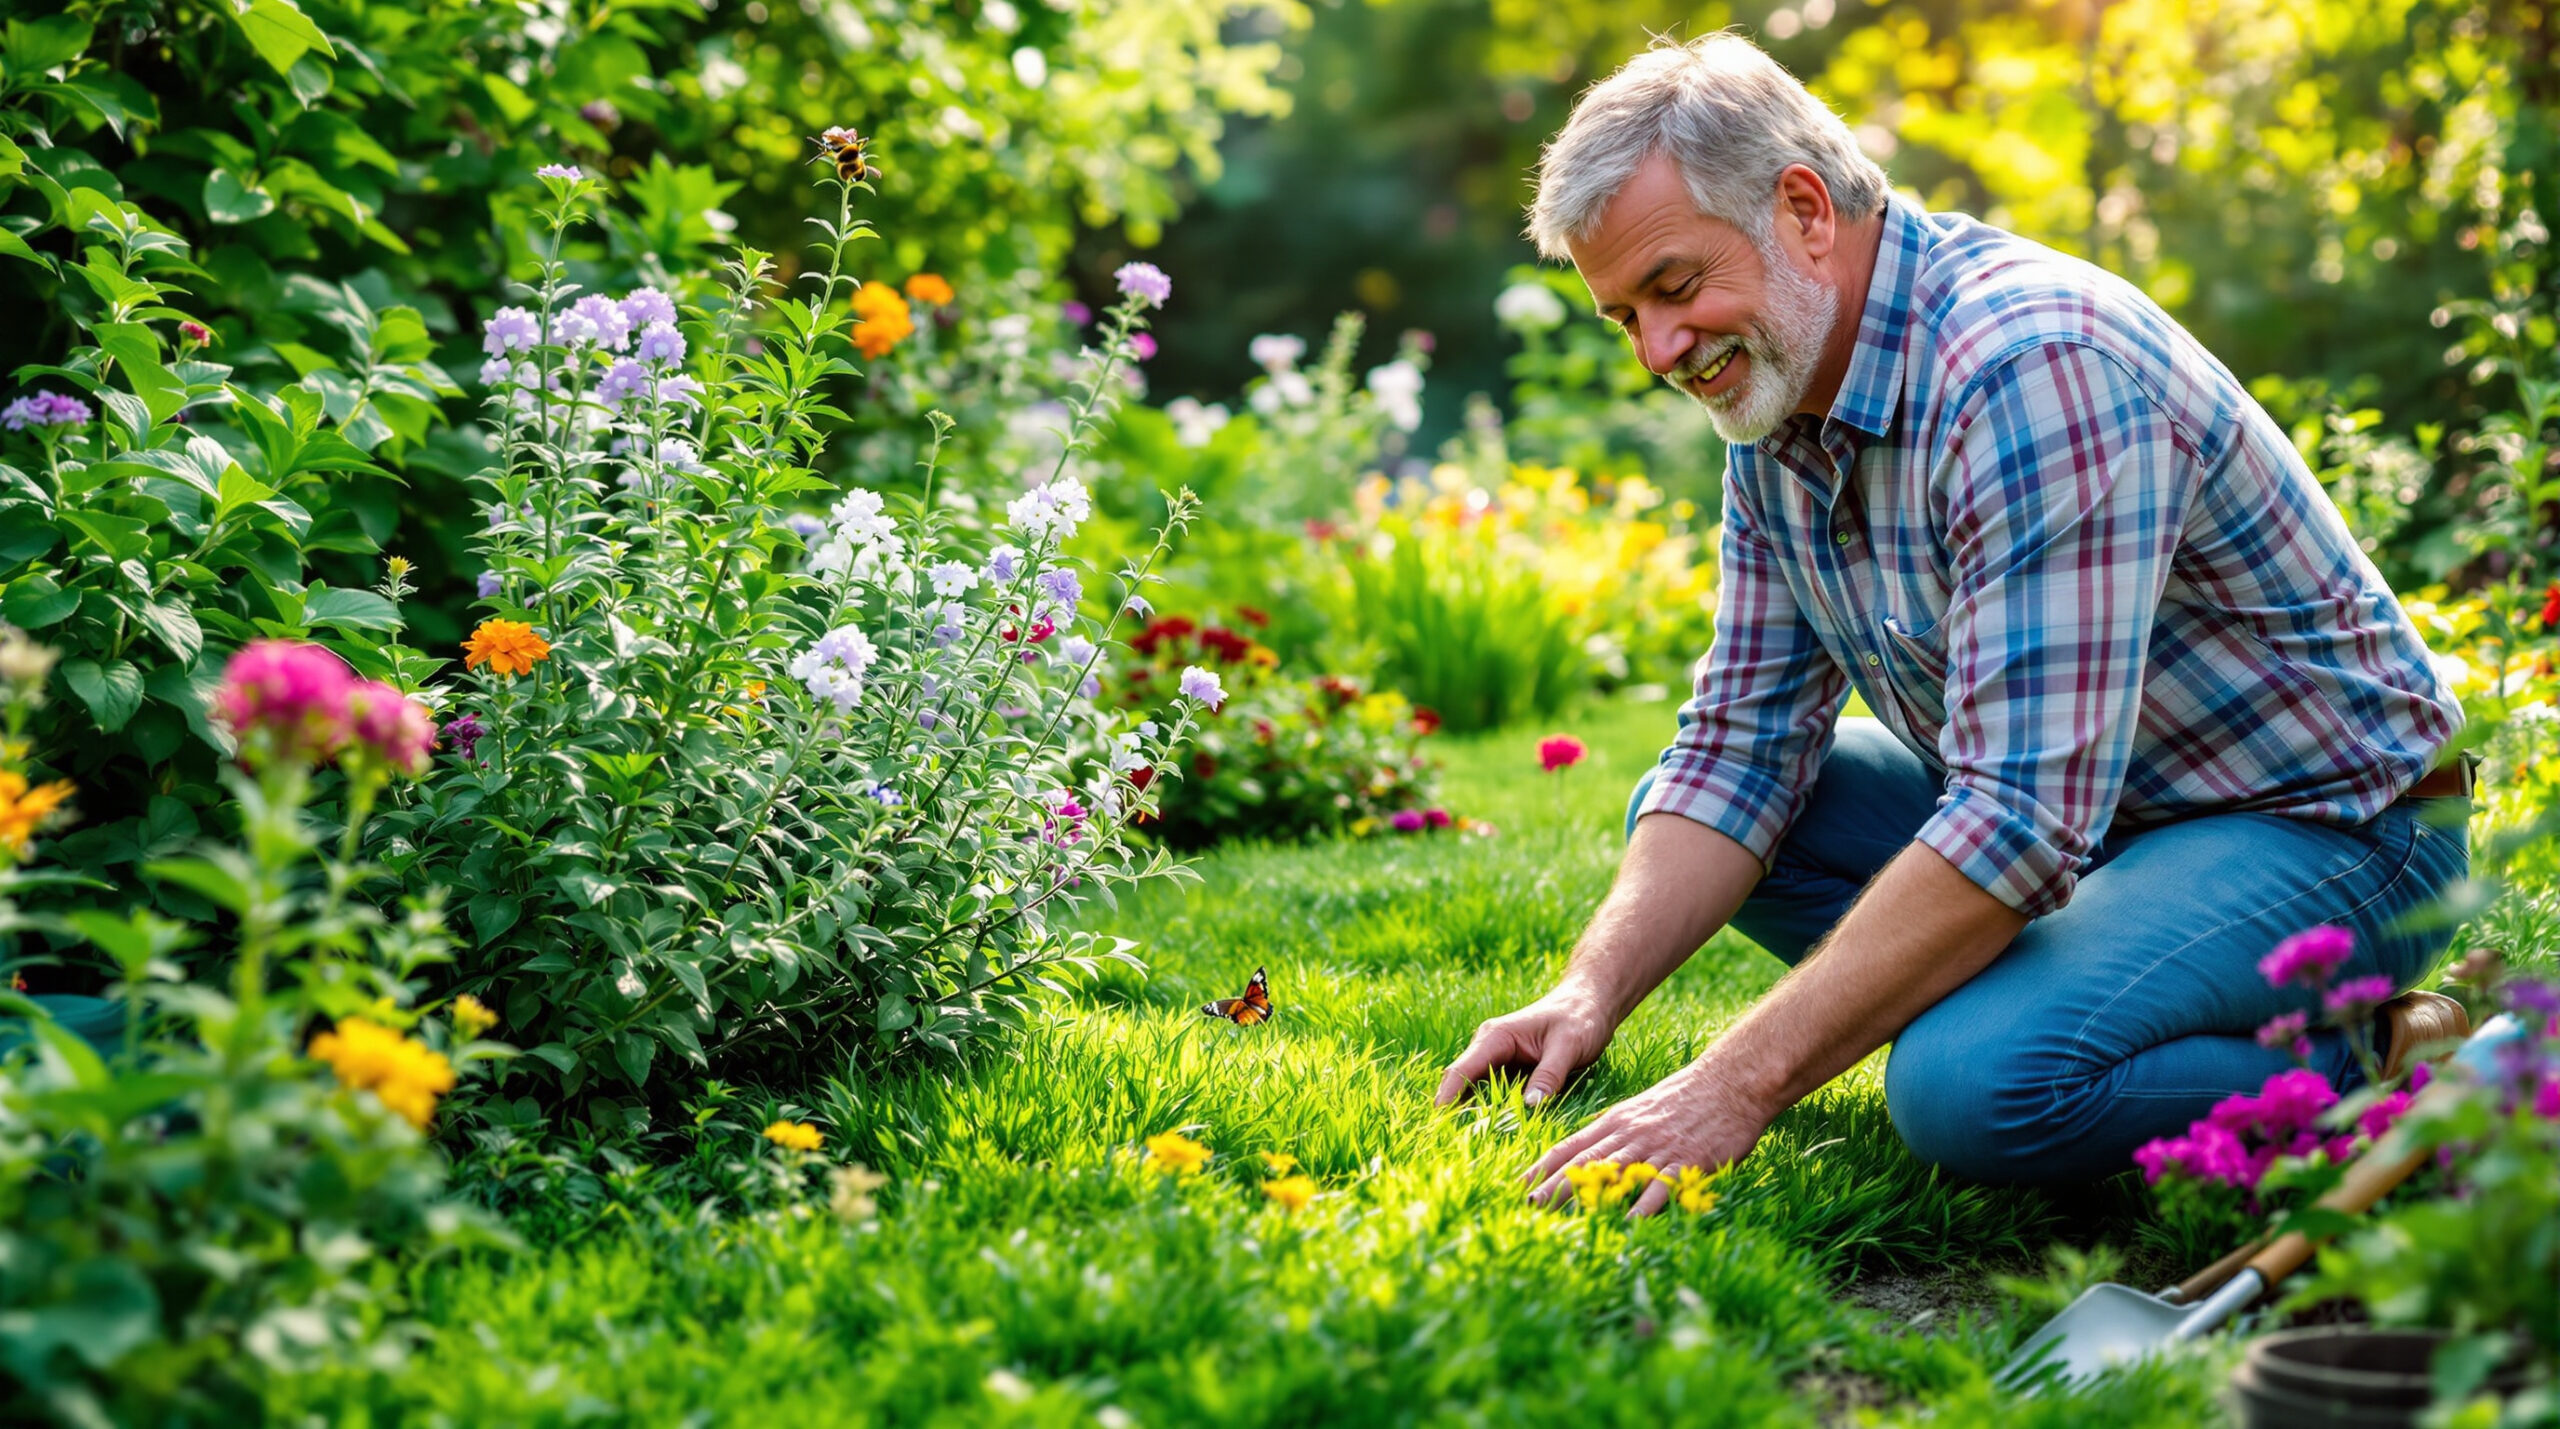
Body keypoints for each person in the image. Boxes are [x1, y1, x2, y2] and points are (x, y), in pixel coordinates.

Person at [1434, 33, 2475, 1210]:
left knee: (1970, 1084)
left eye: (1673, 288)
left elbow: (2021, 820)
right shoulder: (1778, 387)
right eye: (1623, 316)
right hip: (2112, 827)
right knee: (1720, 815)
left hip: (2330, 830)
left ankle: (2389, 1055)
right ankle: (2077, 990)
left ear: (1803, 211)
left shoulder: (2032, 367)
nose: (1658, 352)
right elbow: (1737, 745)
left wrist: (1729, 1084)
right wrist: (1586, 993)